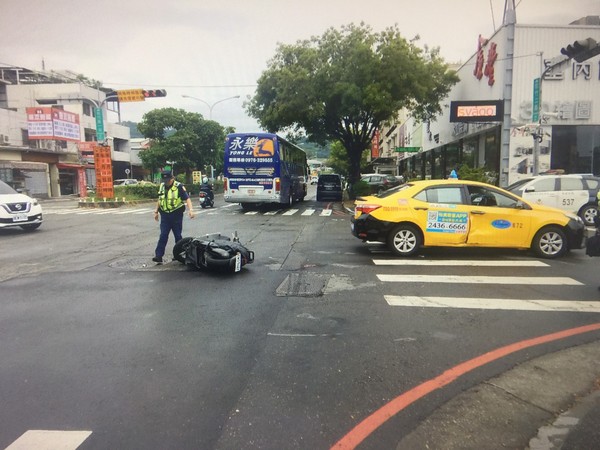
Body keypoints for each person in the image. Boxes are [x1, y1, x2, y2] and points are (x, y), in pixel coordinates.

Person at [152, 171, 195, 263]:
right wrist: (156, 211)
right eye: (164, 180)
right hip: (165, 215)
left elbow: (187, 198)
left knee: (178, 236)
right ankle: (158, 256)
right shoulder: (162, 186)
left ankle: (178, 254)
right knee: (163, 235)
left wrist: (191, 210)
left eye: (168, 180)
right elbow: (160, 199)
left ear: (172, 178)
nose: (166, 182)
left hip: (176, 214)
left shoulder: (178, 186)